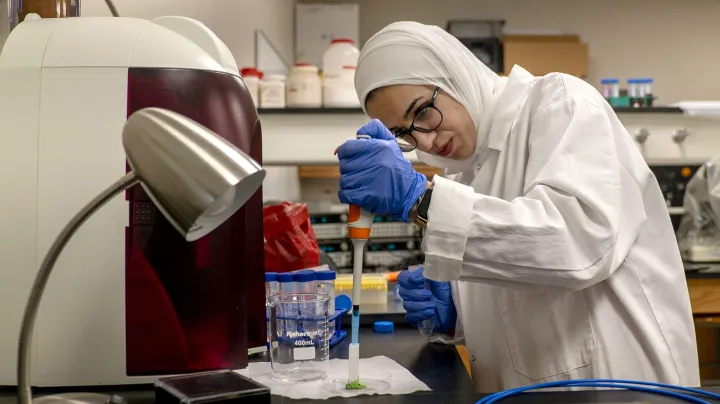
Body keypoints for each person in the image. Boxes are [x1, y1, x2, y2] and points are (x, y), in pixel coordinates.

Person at [335, 21, 700, 392]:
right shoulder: (463, 177)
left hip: (624, 389)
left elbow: (576, 244)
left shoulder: (561, 104)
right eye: (404, 134)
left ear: (451, 73)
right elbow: (522, 290)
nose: (425, 140)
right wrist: (457, 315)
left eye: (423, 112)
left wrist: (421, 200)